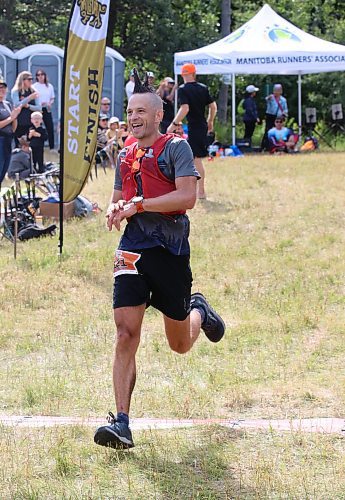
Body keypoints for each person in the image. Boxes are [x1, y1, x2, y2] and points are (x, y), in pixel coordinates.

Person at [93, 70, 225, 450]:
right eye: (129, 111)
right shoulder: (124, 153)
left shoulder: (176, 147)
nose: (132, 117)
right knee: (124, 333)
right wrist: (118, 208)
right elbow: (120, 195)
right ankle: (121, 422)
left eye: (139, 112)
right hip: (132, 249)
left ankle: (199, 310)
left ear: (156, 117)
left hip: (169, 250)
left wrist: (142, 204)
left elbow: (187, 198)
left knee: (179, 344)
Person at [167, 63, 217, 200]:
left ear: (185, 75)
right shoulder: (203, 88)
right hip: (201, 126)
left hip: (194, 127)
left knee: (196, 159)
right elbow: (213, 106)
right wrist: (210, 121)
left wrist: (174, 124)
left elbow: (185, 109)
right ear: (194, 74)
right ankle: (196, 190)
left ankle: (200, 192)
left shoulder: (183, 89)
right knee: (195, 159)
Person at [0, 78, 21, 186]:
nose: (2, 90)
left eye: (3, 88)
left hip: (8, 139)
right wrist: (11, 118)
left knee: (4, 170)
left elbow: (13, 126)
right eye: (0, 88)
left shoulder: (7, 104)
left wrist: (15, 117)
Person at [11, 71, 41, 144]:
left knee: (31, 144)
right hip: (20, 122)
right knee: (20, 144)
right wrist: (29, 98)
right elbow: (17, 104)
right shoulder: (16, 91)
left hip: (31, 122)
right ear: (22, 80)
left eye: (32, 79)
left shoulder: (34, 91)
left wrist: (28, 106)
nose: (31, 81)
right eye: (29, 79)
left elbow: (39, 107)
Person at [32, 69, 55, 150]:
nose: (40, 76)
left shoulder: (49, 86)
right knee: (38, 127)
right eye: (38, 75)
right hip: (38, 109)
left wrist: (49, 103)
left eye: (42, 74)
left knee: (50, 127)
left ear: (45, 76)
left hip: (46, 108)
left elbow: (52, 98)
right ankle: (38, 146)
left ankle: (51, 146)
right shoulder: (34, 86)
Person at [261, 83, 288, 151]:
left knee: (279, 131)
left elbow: (285, 109)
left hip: (279, 116)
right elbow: (266, 99)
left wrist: (284, 114)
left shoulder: (283, 100)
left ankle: (278, 146)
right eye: (276, 90)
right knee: (268, 131)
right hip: (270, 116)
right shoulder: (271, 98)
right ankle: (265, 146)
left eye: (278, 90)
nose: (277, 92)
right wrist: (268, 98)